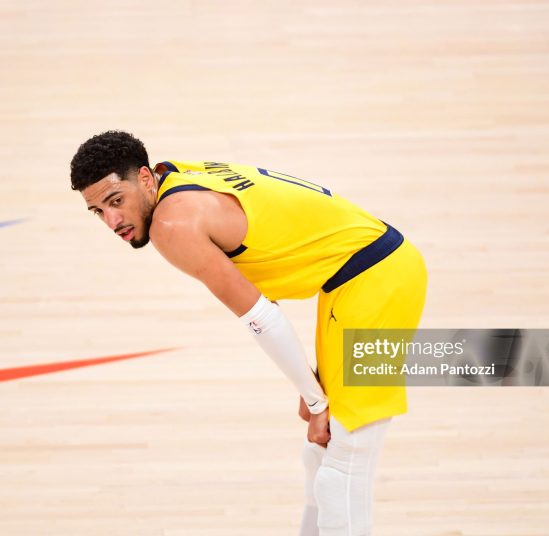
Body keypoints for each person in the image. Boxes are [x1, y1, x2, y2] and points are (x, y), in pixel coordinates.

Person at [70, 131, 427, 535]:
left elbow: (262, 317)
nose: (112, 221)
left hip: (378, 279)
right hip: (351, 281)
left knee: (346, 465)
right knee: (320, 453)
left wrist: (315, 398)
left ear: (146, 180)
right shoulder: (173, 174)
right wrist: (312, 391)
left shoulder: (173, 224)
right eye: (98, 211)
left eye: (116, 201)